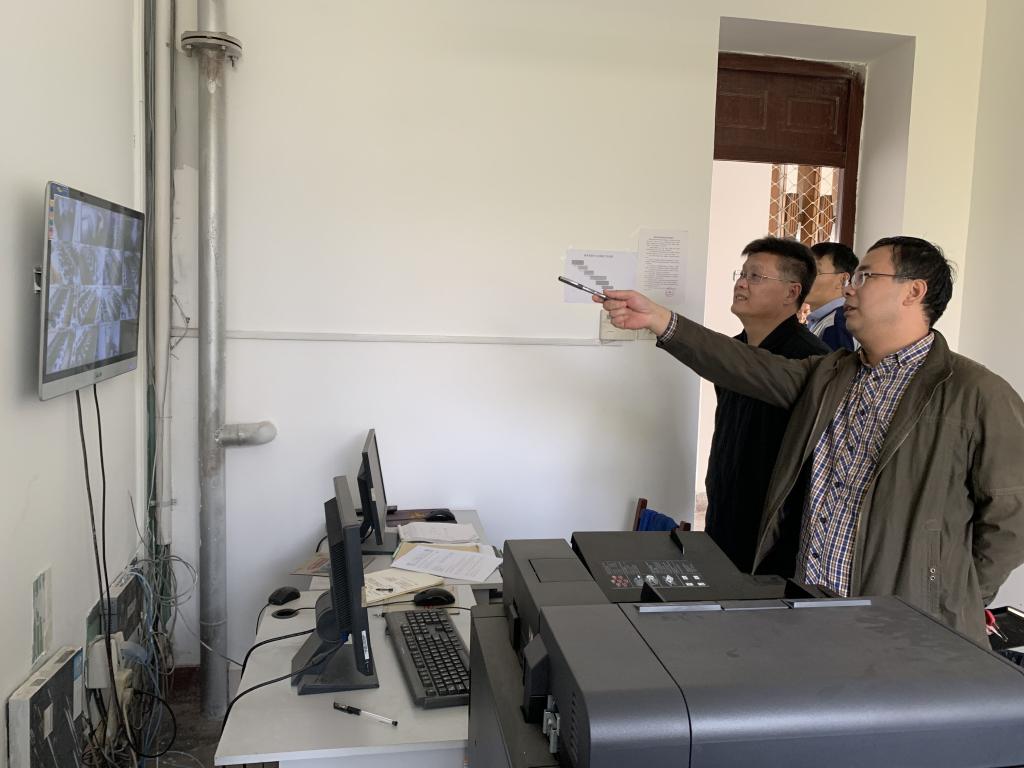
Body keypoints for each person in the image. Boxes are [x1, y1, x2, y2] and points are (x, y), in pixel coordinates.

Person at [596, 236, 1024, 644]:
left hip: (902, 626)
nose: (849, 288)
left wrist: (953, 595)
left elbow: (1012, 518)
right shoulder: (830, 374)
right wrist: (660, 320)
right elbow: (744, 365)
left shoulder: (976, 393)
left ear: (913, 291)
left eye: (865, 277)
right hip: (809, 610)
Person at [703, 237, 829, 572]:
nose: (742, 284)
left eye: (756, 276)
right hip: (724, 516)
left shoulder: (811, 360)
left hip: (773, 536)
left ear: (791, 292)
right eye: (742, 274)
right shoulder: (733, 351)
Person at [805, 241, 858, 351]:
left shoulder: (837, 324)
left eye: (815, 271)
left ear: (843, 279)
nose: (804, 277)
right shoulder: (824, 319)